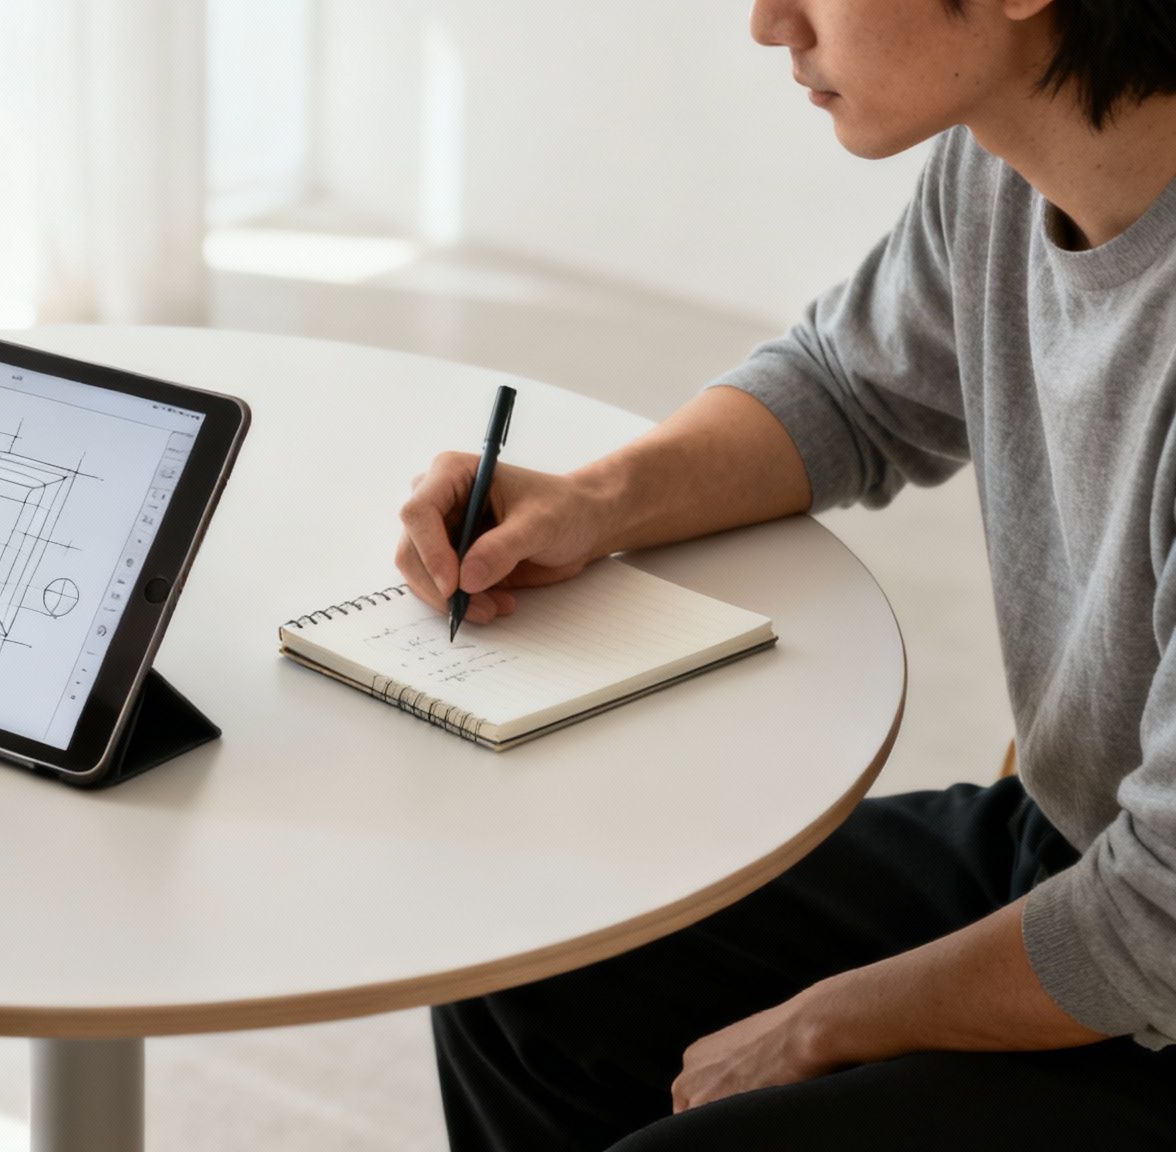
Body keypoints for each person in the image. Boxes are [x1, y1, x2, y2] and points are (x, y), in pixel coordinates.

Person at [396, 0, 1176, 1148]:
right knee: (525, 951)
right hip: (1069, 853)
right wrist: (588, 503)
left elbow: (1155, 925)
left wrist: (823, 1023)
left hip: (1149, 954)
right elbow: (849, 388)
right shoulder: (1002, 164)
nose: (768, 24)